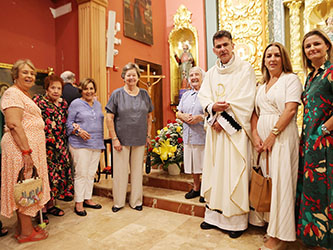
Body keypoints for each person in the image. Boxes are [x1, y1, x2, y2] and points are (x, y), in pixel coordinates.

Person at [197, 30, 256, 238]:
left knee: (232, 174)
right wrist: (213, 110)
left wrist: (223, 120)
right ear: (214, 50)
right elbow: (204, 97)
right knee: (215, 173)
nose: (222, 49)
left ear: (233, 46)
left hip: (234, 134)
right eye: (218, 46)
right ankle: (213, 217)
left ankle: (235, 223)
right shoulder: (211, 73)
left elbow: (246, 100)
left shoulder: (245, 69)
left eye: (225, 45)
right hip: (215, 132)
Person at [249, 43, 303, 249]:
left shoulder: (291, 79)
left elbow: (290, 110)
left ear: (283, 59)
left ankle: (281, 235)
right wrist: (255, 135)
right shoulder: (261, 86)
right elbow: (255, 113)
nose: (272, 59)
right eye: (268, 55)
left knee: (282, 181)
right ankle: (272, 225)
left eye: (277, 55)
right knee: (268, 181)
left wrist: (272, 135)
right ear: (264, 60)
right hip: (263, 141)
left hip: (282, 137)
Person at [0, 59, 50, 243]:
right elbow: (13, 123)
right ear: (15, 75)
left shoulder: (22, 94)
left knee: (26, 184)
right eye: (25, 72)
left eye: (32, 73)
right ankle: (26, 233)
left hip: (25, 148)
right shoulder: (12, 94)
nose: (30, 76)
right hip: (20, 149)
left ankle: (24, 227)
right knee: (25, 186)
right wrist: (26, 151)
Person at [296, 29, 333, 250]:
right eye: (308, 46)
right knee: (312, 190)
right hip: (309, 143)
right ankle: (313, 239)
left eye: (316, 44)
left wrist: (325, 129)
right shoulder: (311, 76)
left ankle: (327, 241)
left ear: (327, 46)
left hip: (326, 142)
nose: (312, 49)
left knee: (324, 189)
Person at [105, 62, 153, 213]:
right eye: (128, 75)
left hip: (139, 138)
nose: (131, 77)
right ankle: (118, 202)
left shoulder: (145, 94)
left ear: (138, 77)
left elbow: (149, 116)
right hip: (121, 139)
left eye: (134, 75)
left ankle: (136, 201)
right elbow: (109, 117)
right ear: (124, 77)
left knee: (137, 171)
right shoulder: (117, 94)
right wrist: (114, 138)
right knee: (120, 171)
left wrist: (148, 135)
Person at [33, 75, 74, 220]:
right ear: (47, 88)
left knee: (56, 177)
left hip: (60, 145)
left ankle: (51, 205)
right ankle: (41, 210)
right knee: (45, 176)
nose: (56, 91)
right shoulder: (38, 101)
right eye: (53, 88)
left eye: (59, 88)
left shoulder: (64, 104)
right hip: (44, 146)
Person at [66, 78, 104, 216]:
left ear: (95, 90)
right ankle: (79, 203)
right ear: (81, 90)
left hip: (96, 143)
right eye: (86, 88)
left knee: (91, 173)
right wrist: (78, 131)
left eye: (91, 88)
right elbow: (68, 124)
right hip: (79, 144)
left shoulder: (98, 104)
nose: (89, 91)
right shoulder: (76, 104)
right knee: (81, 173)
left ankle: (88, 199)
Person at [176, 66, 206, 202]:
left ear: (202, 77)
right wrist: (183, 116)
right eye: (191, 75)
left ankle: (205, 190)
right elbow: (178, 112)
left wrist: (200, 118)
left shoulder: (207, 94)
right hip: (188, 134)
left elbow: (213, 114)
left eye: (197, 75)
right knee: (193, 164)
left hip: (202, 135)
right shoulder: (186, 95)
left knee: (204, 164)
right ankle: (196, 187)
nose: (194, 77)